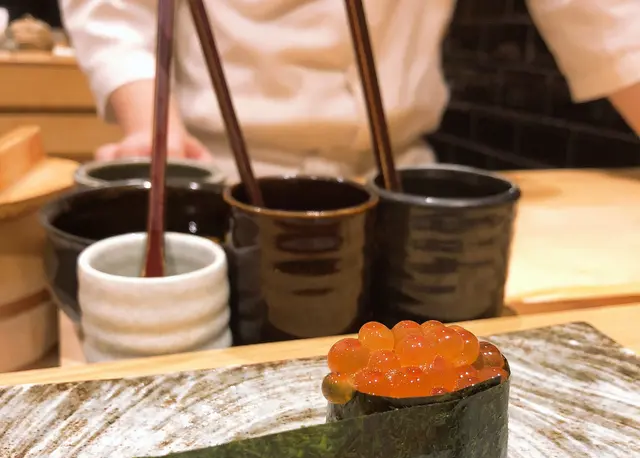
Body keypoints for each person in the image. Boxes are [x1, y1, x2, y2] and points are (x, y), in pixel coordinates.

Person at [60, 0, 640, 182]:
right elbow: (114, 10)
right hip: (227, 175)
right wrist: (153, 127)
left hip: (399, 177)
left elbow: (609, 19)